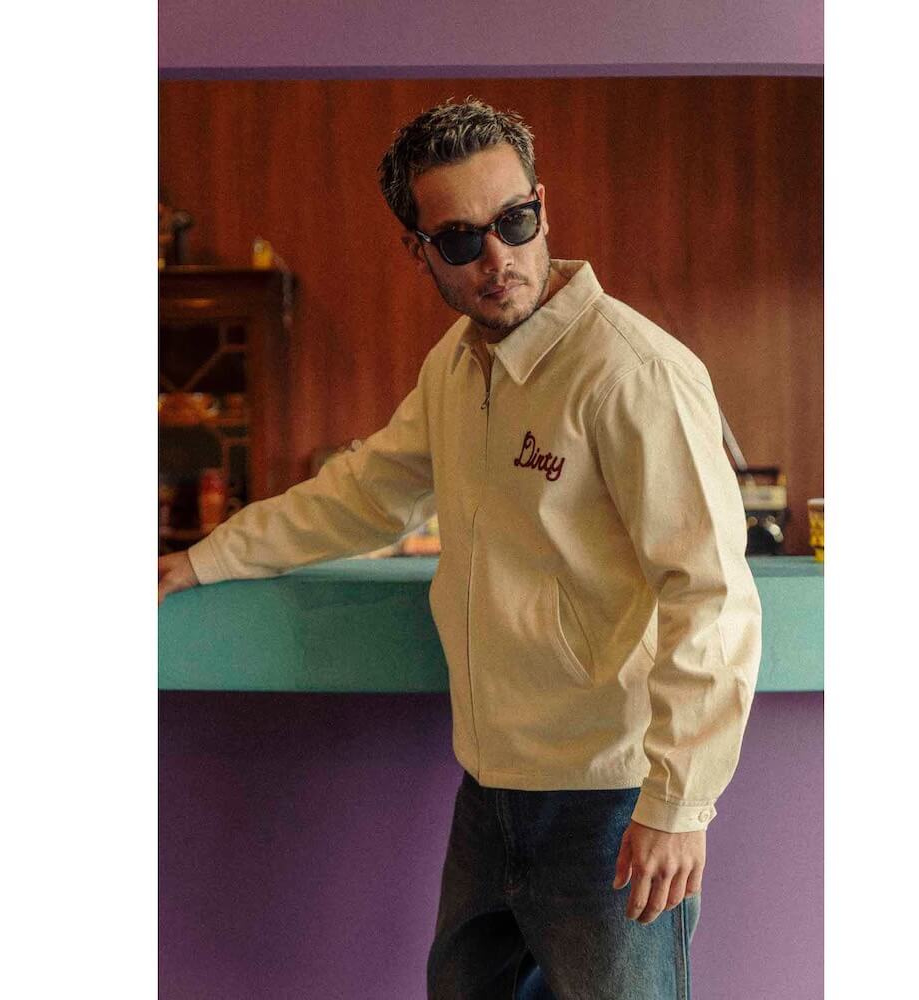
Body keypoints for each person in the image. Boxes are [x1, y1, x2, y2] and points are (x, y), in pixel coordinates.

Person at [158, 99, 762, 999]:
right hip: (490, 789)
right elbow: (366, 493)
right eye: (459, 239)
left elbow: (709, 593)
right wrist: (206, 558)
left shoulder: (634, 372)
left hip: (608, 797)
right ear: (420, 249)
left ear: (542, 205)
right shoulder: (455, 364)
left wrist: (679, 803)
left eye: (514, 221)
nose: (497, 258)